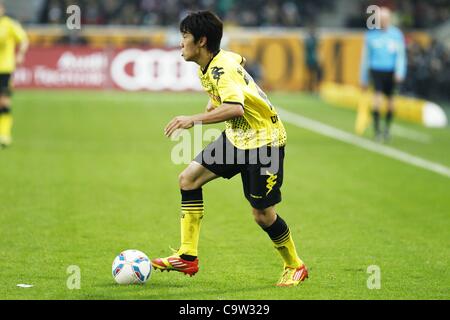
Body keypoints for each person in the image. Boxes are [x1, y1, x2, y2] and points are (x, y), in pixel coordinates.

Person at [151, 11, 308, 287]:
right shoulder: (216, 61)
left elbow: (235, 107)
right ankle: (187, 255)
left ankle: (295, 265)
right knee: (188, 179)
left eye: (184, 37)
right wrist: (216, 100)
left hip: (264, 142)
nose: (180, 43)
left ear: (201, 41)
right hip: (237, 138)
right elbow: (239, 59)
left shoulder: (220, 70)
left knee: (262, 215)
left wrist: (194, 119)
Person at [360, 7, 407, 142]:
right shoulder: (371, 35)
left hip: (391, 71)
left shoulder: (396, 35)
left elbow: (401, 55)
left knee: (391, 102)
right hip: (376, 70)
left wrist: (400, 72)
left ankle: (387, 128)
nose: (383, 22)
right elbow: (365, 58)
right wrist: (363, 78)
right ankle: (377, 130)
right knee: (377, 99)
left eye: (385, 19)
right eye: (380, 19)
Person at [0, 0, 29, 147]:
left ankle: (4, 135)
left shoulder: (9, 24)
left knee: (4, 101)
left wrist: (20, 54)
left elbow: (24, 39)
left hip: (5, 69)